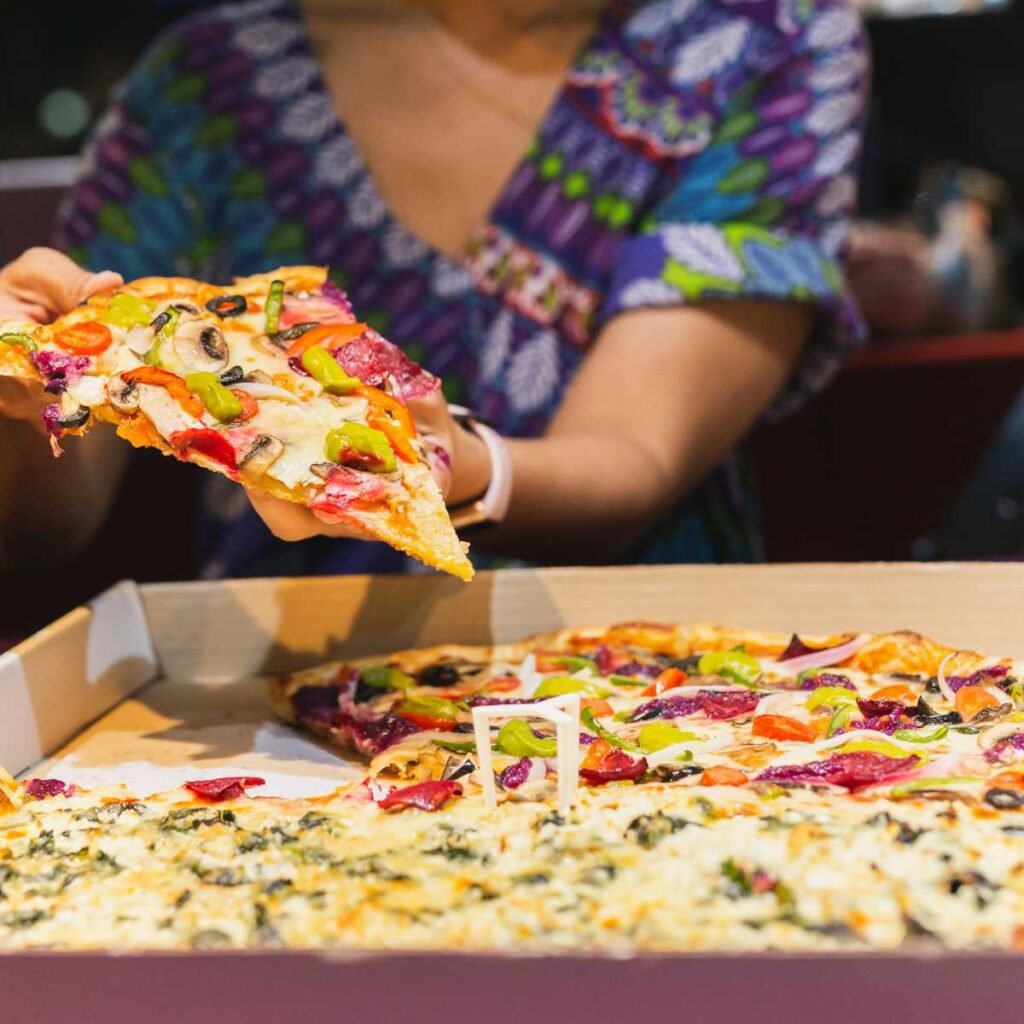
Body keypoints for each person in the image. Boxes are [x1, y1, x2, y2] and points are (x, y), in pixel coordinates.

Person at [0, 0, 867, 577]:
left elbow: (635, 460)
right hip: (276, 715)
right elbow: (54, 511)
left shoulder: (761, 42)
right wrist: (21, 385)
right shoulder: (205, 86)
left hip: (652, 695)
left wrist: (441, 467)